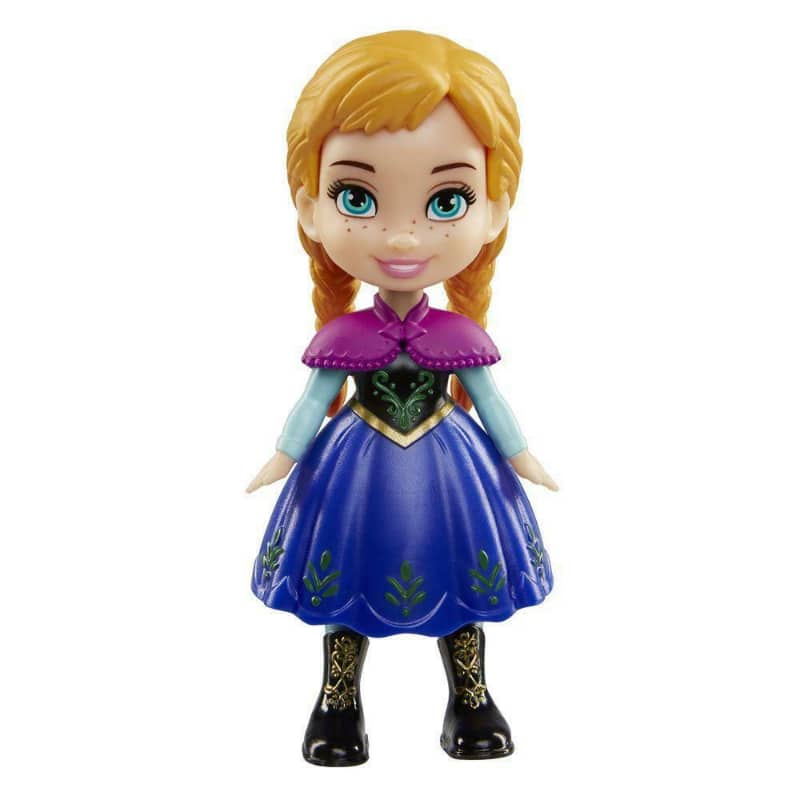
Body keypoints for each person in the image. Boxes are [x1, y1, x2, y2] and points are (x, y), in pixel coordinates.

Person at [247, 29, 558, 765]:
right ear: (310, 207)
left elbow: (489, 398)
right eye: (357, 197)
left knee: (462, 582)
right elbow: (313, 401)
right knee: (347, 580)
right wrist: (283, 456)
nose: (403, 236)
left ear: (494, 210)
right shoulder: (344, 338)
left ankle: (471, 698)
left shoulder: (458, 336)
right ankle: (339, 702)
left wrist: (521, 455)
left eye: (447, 199)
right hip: (355, 464)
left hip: (452, 462)